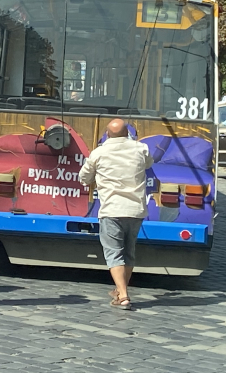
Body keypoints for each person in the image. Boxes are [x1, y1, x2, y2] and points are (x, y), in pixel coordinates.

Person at [79, 118, 154, 310]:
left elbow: (84, 178)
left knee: (113, 253)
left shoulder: (99, 153)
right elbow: (148, 163)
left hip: (112, 209)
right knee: (128, 251)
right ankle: (120, 289)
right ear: (127, 133)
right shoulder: (140, 148)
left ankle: (123, 296)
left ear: (107, 134)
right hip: (135, 210)